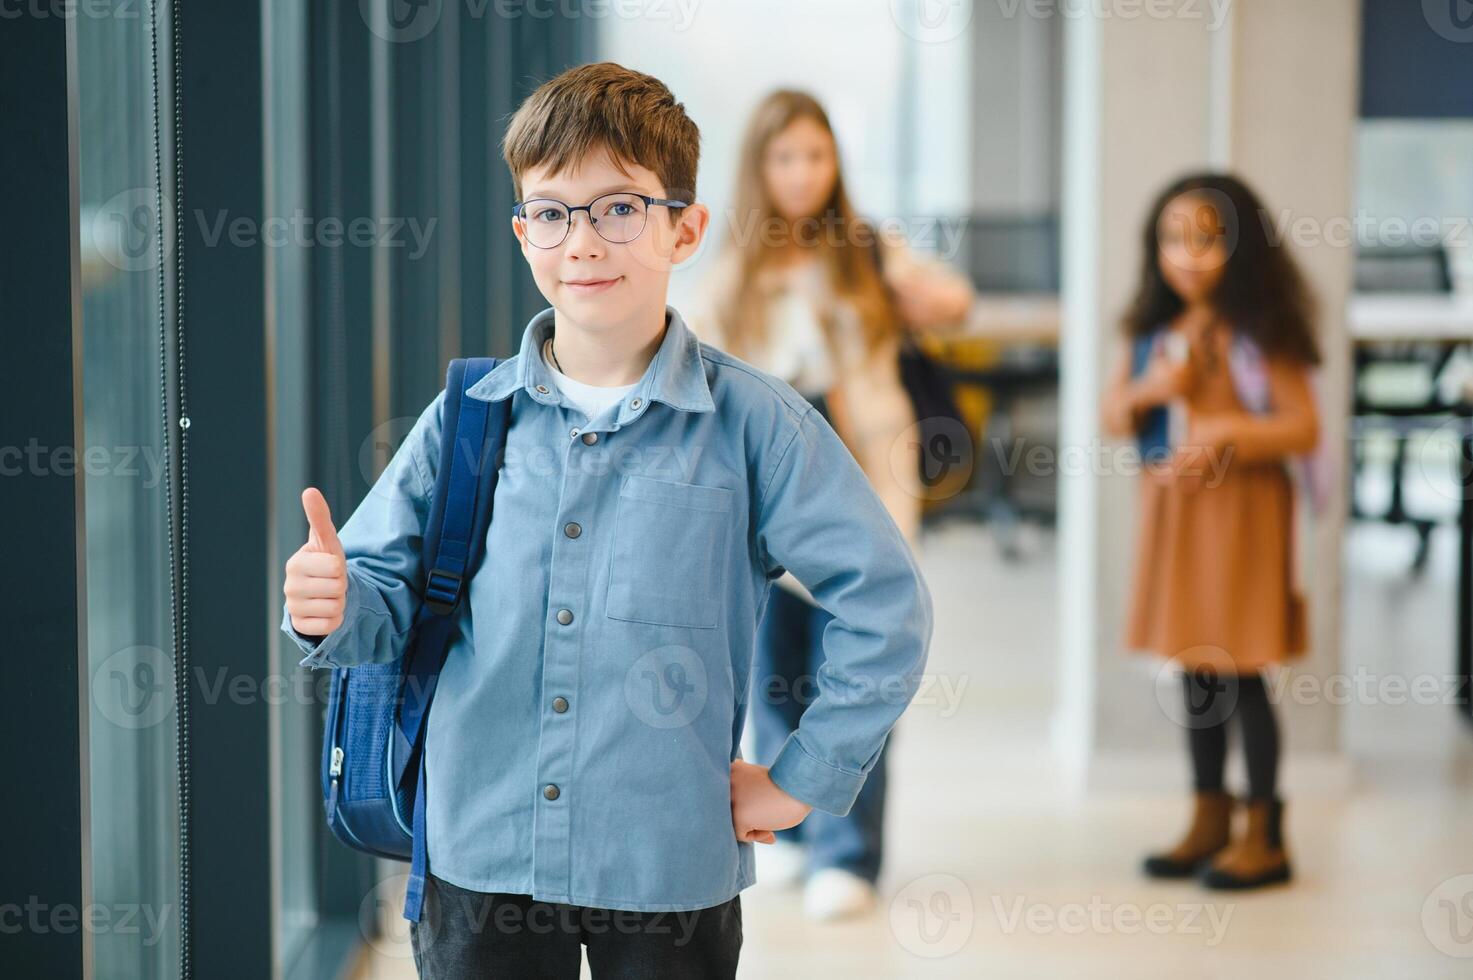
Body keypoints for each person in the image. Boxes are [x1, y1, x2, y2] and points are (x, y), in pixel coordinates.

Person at [279, 62, 934, 978]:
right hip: (481, 860)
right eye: (550, 212)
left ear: (685, 228)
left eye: (619, 208)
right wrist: (331, 602)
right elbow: (381, 601)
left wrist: (800, 781)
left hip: (667, 868)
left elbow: (885, 606)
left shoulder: (757, 426)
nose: (581, 241)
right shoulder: (469, 416)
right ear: (521, 234)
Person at [687, 89, 972, 920]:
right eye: (786, 158)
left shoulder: (864, 249)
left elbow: (952, 298)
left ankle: (849, 850)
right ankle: (795, 827)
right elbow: (690, 346)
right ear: (760, 169)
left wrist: (906, 292)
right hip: (766, 498)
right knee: (774, 676)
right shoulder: (738, 266)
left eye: (817, 156)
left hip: (862, 483)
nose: (803, 174)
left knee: (857, 668)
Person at [1101, 172, 1321, 891]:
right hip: (1178, 517)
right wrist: (1152, 389)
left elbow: (1302, 425)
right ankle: (1208, 815)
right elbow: (1112, 417)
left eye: (1206, 238)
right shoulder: (1152, 334)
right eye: (1171, 238)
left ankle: (1264, 831)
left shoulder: (1259, 336)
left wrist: (1225, 428)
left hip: (1244, 518)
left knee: (1241, 668)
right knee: (1194, 667)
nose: (1186, 255)